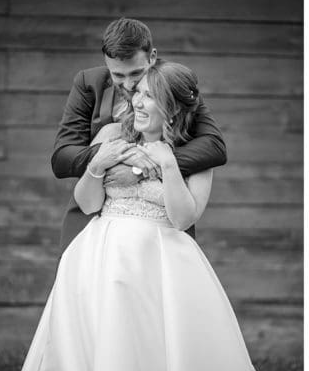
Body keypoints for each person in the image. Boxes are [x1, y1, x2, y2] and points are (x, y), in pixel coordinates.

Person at [0, 61, 266, 371]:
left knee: (157, 350)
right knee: (96, 349)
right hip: (97, 258)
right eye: (137, 93)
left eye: (148, 96)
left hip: (161, 263)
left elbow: (184, 217)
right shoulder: (111, 134)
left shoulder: (197, 152)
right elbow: (89, 202)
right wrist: (97, 165)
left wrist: (168, 165)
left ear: (170, 108)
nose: (136, 101)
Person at [51, 18, 226, 253]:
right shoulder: (88, 83)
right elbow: (63, 158)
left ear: (152, 57)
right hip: (94, 220)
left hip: (161, 235)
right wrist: (120, 156)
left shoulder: (173, 84)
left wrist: (142, 168)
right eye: (118, 76)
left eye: (136, 73)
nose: (130, 84)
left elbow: (213, 146)